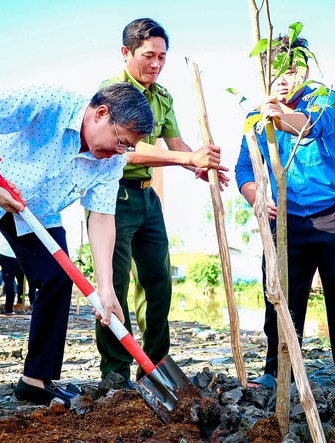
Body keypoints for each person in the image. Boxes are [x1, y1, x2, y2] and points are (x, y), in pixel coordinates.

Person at [0, 82, 154, 423]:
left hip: (33, 211)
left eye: (128, 148)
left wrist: (106, 289)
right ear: (101, 113)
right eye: (121, 141)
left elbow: (102, 220)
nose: (121, 152)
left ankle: (35, 380)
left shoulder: (110, 163)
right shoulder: (52, 103)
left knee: (57, 277)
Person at [95, 18, 230, 385]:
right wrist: (188, 160)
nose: (155, 64)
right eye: (148, 56)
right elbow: (127, 150)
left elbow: (176, 145)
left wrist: (203, 166)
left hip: (146, 198)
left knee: (158, 284)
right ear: (126, 53)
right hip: (112, 197)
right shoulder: (112, 92)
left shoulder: (163, 96)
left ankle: (153, 368)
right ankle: (115, 370)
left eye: (162, 57)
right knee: (115, 286)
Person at [234, 35, 335, 385]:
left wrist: (278, 117)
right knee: (280, 300)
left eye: (291, 70)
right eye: (274, 72)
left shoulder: (326, 101)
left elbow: (308, 125)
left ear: (305, 71)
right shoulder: (254, 118)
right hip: (287, 221)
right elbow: (244, 170)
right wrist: (255, 196)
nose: (282, 79)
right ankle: (277, 373)